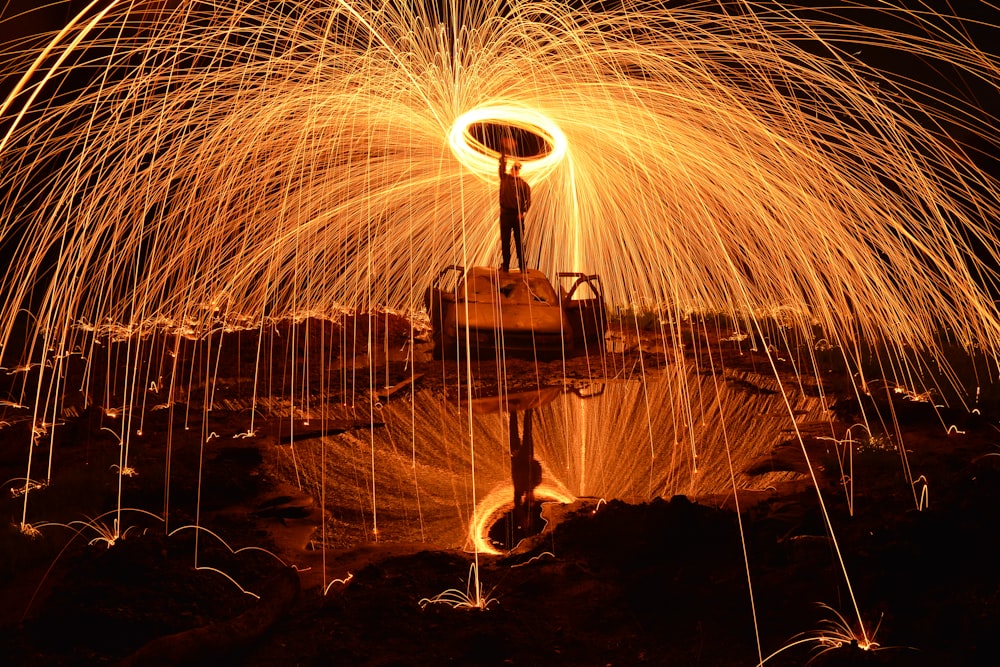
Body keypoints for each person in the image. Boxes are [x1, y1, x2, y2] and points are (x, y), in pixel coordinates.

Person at [498, 151, 531, 273]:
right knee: (505, 241)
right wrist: (503, 156)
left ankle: (522, 266)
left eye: (516, 168)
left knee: (519, 242)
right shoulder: (504, 178)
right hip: (505, 215)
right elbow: (501, 167)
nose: (514, 170)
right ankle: (505, 265)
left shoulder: (524, 185)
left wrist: (522, 212)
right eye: (513, 168)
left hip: (517, 216)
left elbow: (528, 200)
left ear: (519, 170)